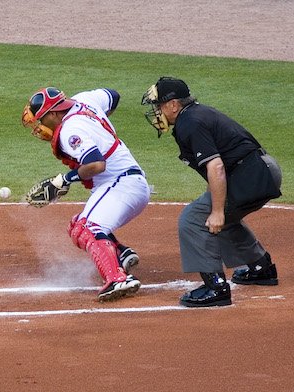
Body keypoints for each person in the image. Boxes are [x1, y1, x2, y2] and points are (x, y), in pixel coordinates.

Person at [141, 77, 282, 307]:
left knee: (194, 219)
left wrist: (217, 211)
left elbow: (216, 166)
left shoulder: (190, 123)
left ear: (174, 105)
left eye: (159, 106)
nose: (156, 111)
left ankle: (215, 287)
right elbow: (218, 167)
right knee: (221, 215)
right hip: (262, 171)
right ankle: (261, 268)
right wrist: (217, 208)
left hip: (251, 176)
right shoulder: (195, 115)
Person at [22, 87, 150, 302]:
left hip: (121, 184)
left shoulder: (71, 131)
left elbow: (96, 164)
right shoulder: (84, 100)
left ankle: (118, 279)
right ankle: (121, 255)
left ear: (54, 113)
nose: (41, 127)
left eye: (42, 119)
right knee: (76, 226)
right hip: (125, 182)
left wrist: (64, 180)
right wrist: (99, 128)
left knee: (87, 228)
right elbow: (113, 95)